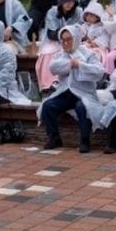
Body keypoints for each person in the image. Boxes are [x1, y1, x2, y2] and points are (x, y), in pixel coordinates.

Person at [38, 25, 105, 153]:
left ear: (76, 39)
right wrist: (70, 64)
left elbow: (99, 72)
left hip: (84, 93)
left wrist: (80, 65)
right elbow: (53, 67)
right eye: (62, 40)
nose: (65, 43)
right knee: (48, 105)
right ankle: (54, 137)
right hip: (66, 92)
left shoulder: (88, 53)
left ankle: (85, 140)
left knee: (82, 107)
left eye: (69, 39)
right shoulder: (60, 54)